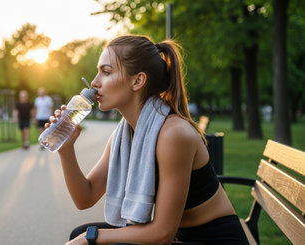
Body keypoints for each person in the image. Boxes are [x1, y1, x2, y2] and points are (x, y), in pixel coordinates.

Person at [47, 35, 249, 245]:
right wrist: (66, 148)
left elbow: (162, 234)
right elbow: (85, 198)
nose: (95, 82)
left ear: (138, 81)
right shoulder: (124, 134)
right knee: (81, 234)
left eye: (106, 72)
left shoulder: (173, 134)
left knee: (90, 239)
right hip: (180, 237)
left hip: (215, 241)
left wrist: (91, 238)